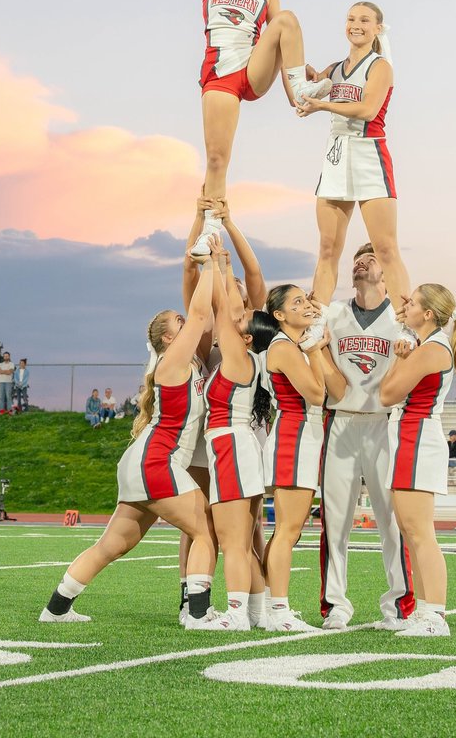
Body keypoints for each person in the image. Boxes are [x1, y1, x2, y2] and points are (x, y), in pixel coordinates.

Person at [39, 242, 218, 624]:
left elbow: (201, 313)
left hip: (144, 461)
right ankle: (199, 614)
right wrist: (212, 263)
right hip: (157, 461)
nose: (187, 325)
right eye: (179, 324)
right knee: (205, 528)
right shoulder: (173, 363)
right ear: (169, 339)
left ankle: (55, 609)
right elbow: (201, 311)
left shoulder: (179, 362)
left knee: (114, 545)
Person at [146, 0, 317, 254]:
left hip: (254, 70)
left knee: (286, 19)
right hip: (220, 75)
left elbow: (281, 38)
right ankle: (211, 230)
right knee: (217, 157)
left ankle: (301, 93)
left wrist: (302, 83)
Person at [316, 243, 416, 632]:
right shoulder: (334, 313)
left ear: (388, 272)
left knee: (392, 520)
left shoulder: (402, 318)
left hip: (384, 422)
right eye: (359, 257)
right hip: (340, 420)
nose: (363, 261)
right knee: (334, 520)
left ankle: (398, 603)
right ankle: (335, 605)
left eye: (372, 257)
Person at [295, 2, 410, 320]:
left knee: (385, 248)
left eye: (364, 20)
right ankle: (314, 322)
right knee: (328, 248)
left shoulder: (380, 67)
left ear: (377, 28)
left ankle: (407, 323)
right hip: (336, 156)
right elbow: (309, 90)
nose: (355, 24)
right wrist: (306, 77)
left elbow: (367, 110)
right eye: (350, 18)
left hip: (369, 153)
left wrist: (323, 105)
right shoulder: (334, 69)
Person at [380, 282, 456, 638]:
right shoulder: (427, 344)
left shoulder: (432, 348)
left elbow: (387, 393)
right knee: (410, 531)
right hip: (407, 437)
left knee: (420, 533)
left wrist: (400, 356)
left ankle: (435, 614)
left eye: (413, 303)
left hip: (417, 438)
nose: (407, 307)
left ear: (428, 313)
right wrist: (404, 351)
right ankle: (424, 611)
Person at [251, 285, 328, 633]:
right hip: (294, 438)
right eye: (296, 302)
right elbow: (316, 392)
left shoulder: (288, 346)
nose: (304, 305)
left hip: (298, 436)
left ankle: (270, 605)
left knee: (287, 531)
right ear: (279, 315)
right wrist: (315, 350)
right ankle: (277, 610)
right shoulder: (284, 347)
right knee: (288, 530)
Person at [198, 246, 267, 631]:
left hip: (230, 445)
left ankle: (237, 613)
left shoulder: (240, 357)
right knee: (243, 540)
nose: (234, 324)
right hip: (241, 447)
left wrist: (218, 264)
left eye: (243, 325)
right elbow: (226, 312)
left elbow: (224, 310)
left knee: (233, 542)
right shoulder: (249, 359)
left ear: (248, 336)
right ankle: (258, 612)